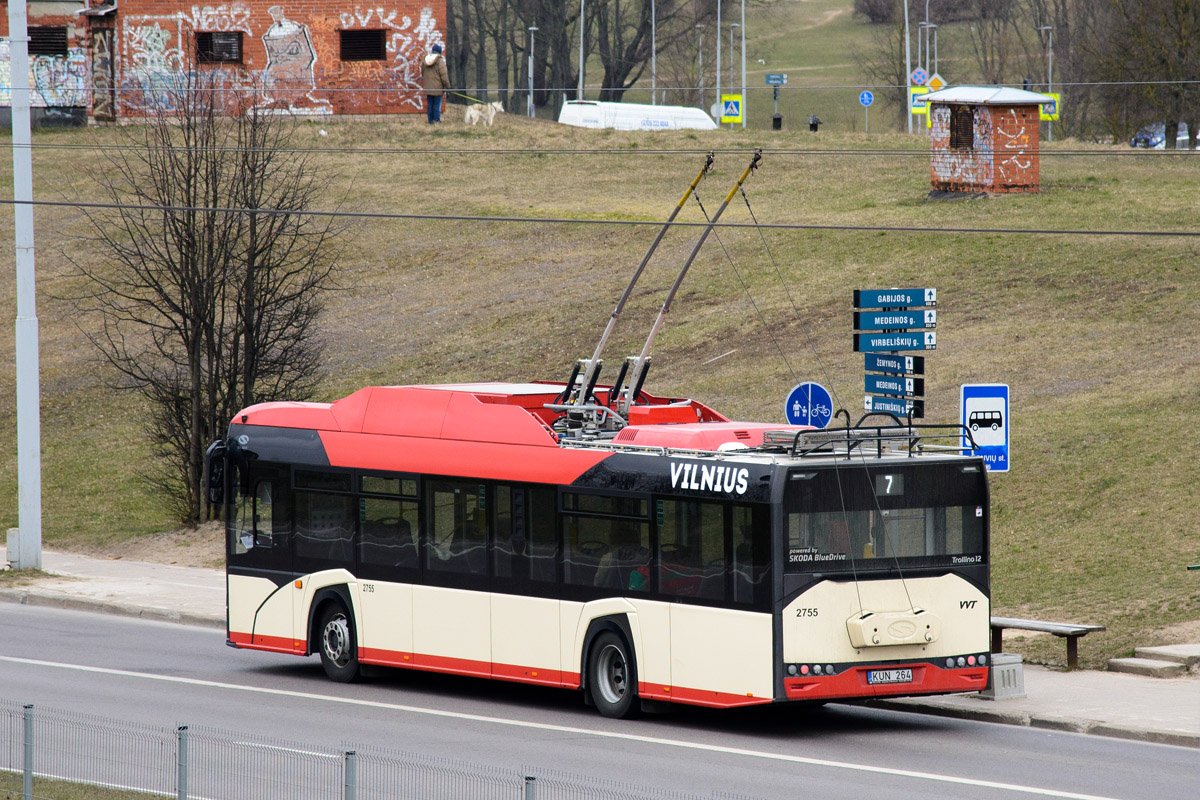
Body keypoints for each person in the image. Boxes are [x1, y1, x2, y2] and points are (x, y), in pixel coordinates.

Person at [422, 43, 450, 124]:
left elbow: (422, 73)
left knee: (430, 105)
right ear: (439, 52)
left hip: (428, 88)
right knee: (437, 105)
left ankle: (430, 121)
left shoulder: (425, 60)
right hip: (438, 88)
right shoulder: (440, 61)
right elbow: (444, 76)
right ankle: (436, 121)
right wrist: (448, 87)